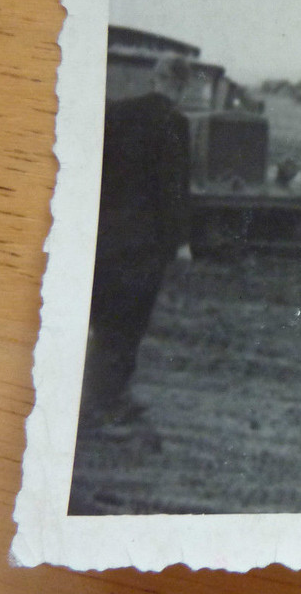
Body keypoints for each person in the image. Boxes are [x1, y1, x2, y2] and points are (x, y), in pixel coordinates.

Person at [78, 55, 193, 437]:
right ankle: (106, 406)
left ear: (154, 78)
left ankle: (101, 399)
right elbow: (173, 189)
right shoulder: (175, 123)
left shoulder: (116, 112)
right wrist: (179, 244)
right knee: (126, 327)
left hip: (102, 236)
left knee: (101, 319)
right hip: (143, 245)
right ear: (182, 85)